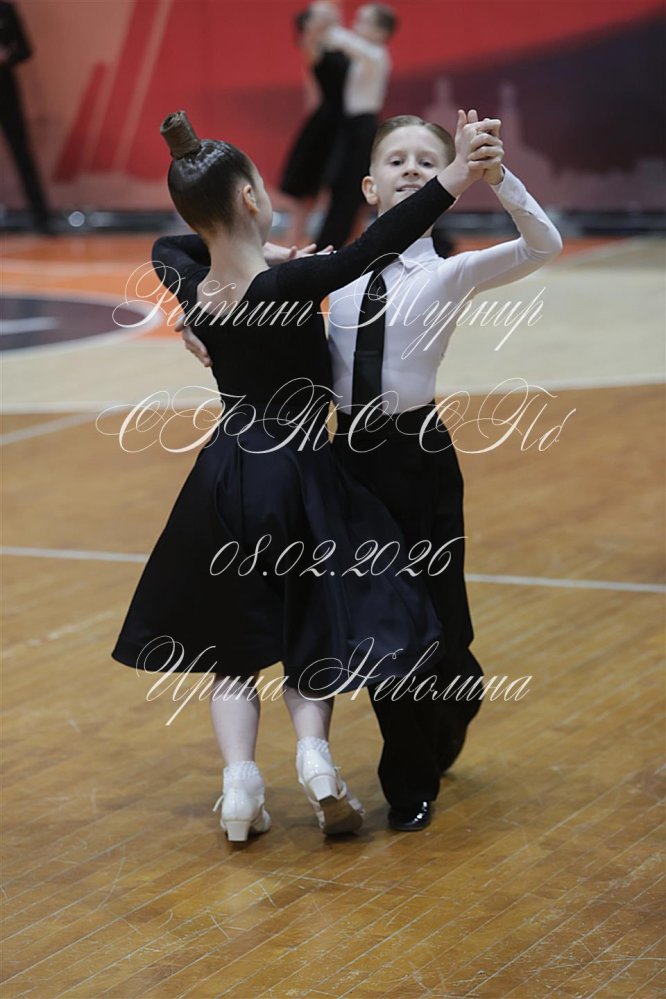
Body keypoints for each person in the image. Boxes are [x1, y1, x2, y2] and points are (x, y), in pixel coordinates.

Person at [111, 109, 503, 842]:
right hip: (300, 472)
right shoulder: (289, 286)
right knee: (313, 629)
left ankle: (240, 784)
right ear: (252, 199)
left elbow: (170, 246)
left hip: (226, 475)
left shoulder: (196, 287)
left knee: (233, 647)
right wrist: (451, 178)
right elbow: (377, 244)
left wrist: (222, 273)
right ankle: (316, 759)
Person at [309, 2, 397, 250]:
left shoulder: (376, 55)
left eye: (363, 21)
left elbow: (344, 41)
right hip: (351, 128)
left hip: (362, 128)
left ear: (380, 32)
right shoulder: (363, 55)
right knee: (342, 189)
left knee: (348, 192)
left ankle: (326, 248)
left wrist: (328, 23)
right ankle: (327, 246)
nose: (356, 25)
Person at [279, 5, 349, 246]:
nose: (330, 16)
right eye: (320, 15)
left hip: (349, 124)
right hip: (327, 125)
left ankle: (345, 249)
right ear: (309, 24)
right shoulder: (313, 46)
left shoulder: (344, 42)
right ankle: (291, 248)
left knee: (348, 195)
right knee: (306, 195)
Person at [0, 1, 52, 232]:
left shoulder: (5, 10)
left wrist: (7, 55)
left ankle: (42, 218)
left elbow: (25, 49)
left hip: (5, 89)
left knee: (21, 152)